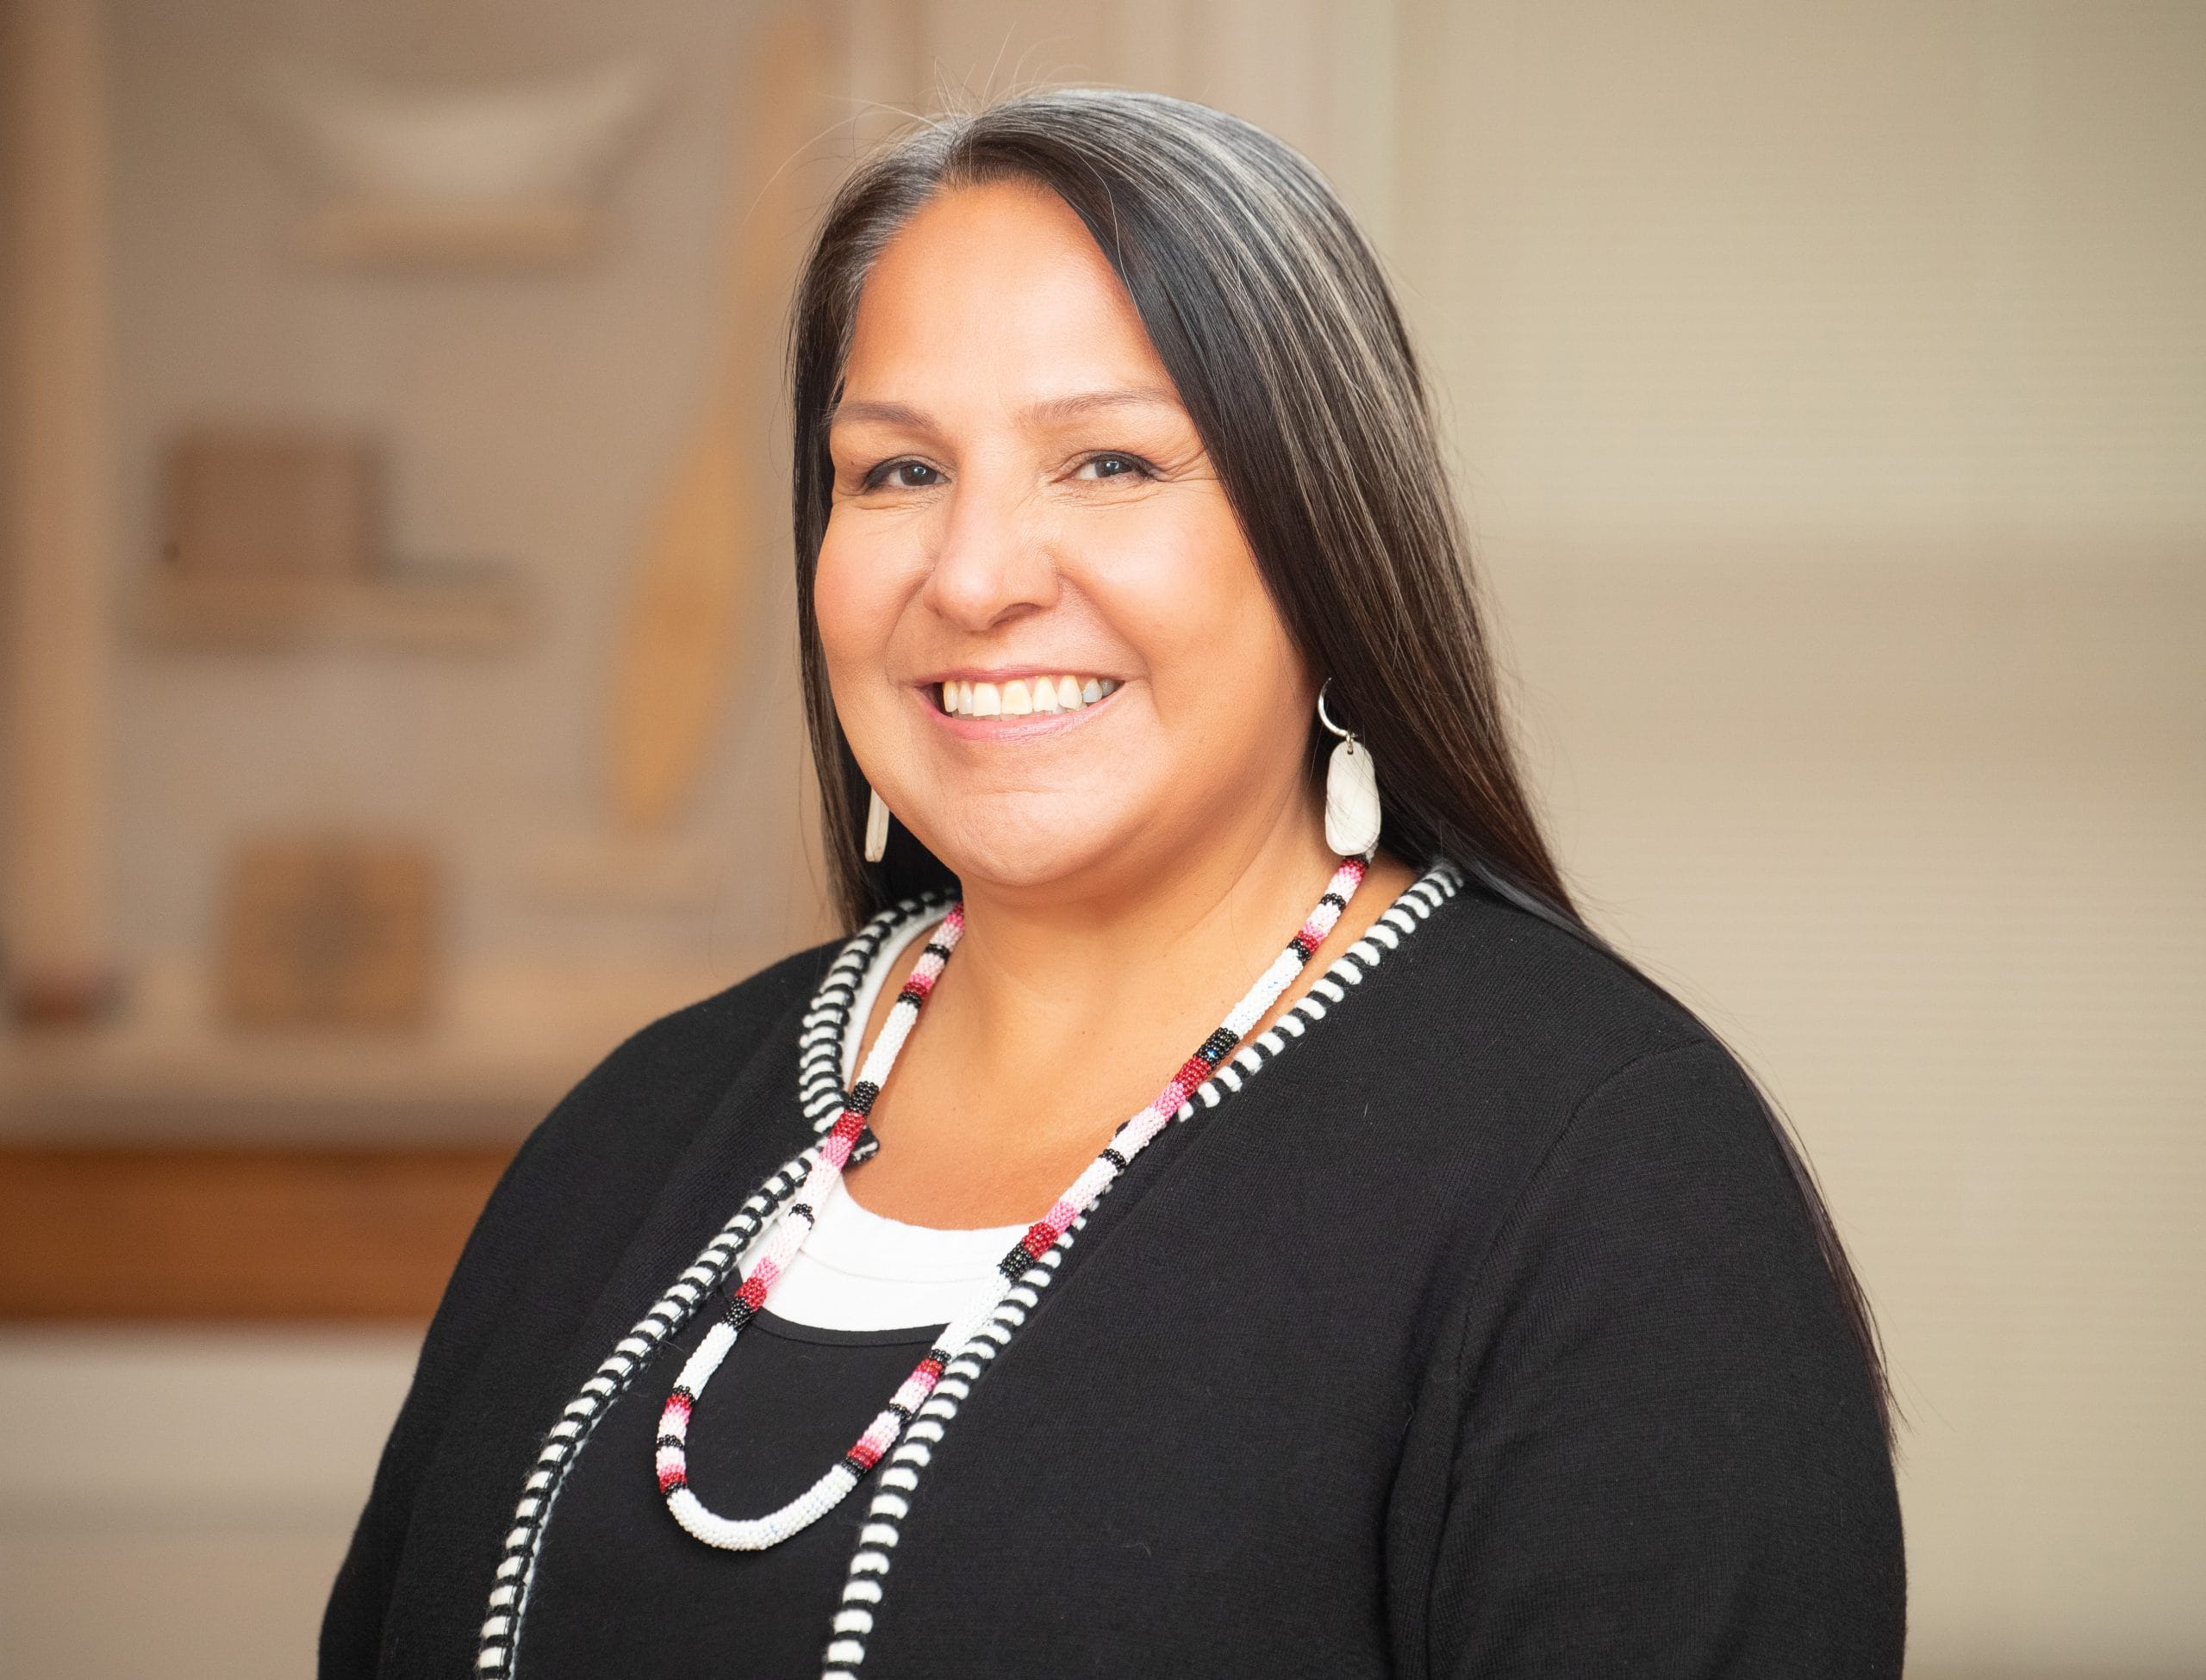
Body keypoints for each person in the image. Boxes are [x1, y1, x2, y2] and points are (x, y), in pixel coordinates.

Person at [321, 88, 1904, 1679]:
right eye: (896, 472)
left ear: (1327, 537)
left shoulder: (1611, 1178)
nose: (974, 576)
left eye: (1108, 462)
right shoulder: (632, 1132)